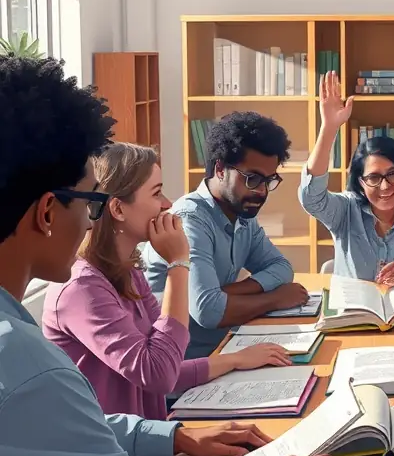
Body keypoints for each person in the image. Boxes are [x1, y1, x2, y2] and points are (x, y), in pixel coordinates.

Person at [0, 57, 336, 456]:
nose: (90, 215)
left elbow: (66, 430)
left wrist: (175, 440)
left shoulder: (20, 336)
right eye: (85, 200)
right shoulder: (24, 361)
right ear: (48, 212)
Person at [42, 143, 293, 418]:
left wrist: (235, 360)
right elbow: (158, 374)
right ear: (118, 209)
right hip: (118, 453)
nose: (167, 204)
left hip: (151, 437)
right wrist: (178, 263)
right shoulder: (82, 289)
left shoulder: (129, 271)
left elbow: (168, 363)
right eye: (156, 193)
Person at [145, 112, 309, 358]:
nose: (262, 191)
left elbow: (281, 267)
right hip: (183, 371)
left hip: (225, 351)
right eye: (252, 179)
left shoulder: (241, 213)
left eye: (269, 180)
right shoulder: (190, 220)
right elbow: (209, 312)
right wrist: (274, 299)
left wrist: (226, 292)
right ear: (220, 169)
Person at [299, 73, 394, 287]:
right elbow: (311, 198)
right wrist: (329, 128)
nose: (385, 186)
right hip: (353, 312)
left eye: (393, 174)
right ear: (360, 182)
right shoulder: (345, 210)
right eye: (374, 177)